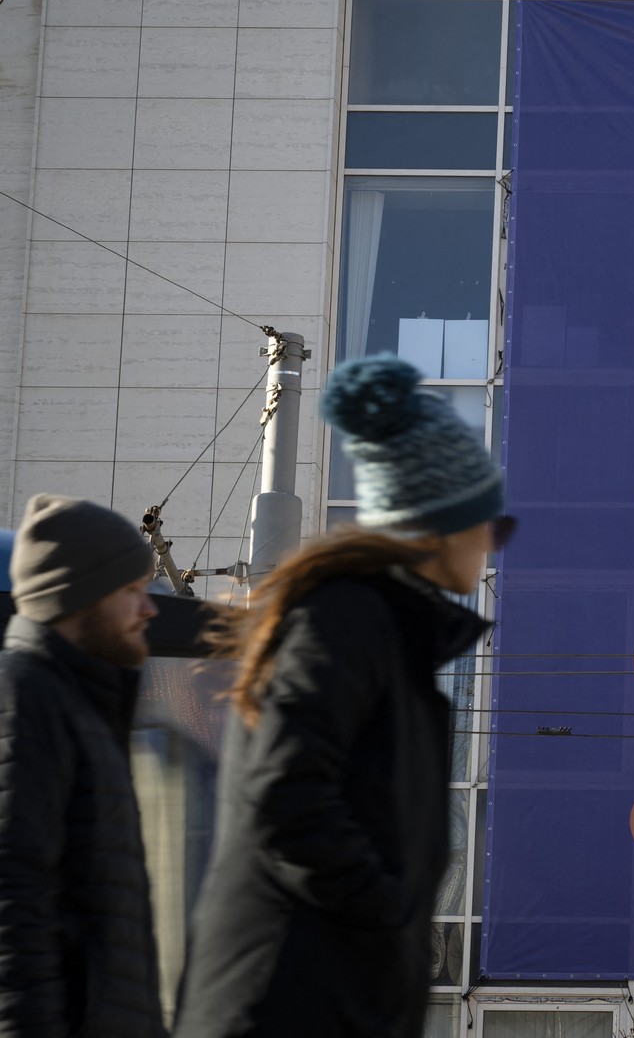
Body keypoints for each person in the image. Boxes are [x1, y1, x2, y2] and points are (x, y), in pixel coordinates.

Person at [174, 356, 508, 1038]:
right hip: (292, 999)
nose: (492, 543)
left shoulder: (384, 629)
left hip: (324, 993)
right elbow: (286, 793)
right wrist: (384, 912)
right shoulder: (348, 620)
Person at [0, 494, 164, 1037]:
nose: (149, 609)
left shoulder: (75, 703)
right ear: (78, 596)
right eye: (131, 590)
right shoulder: (24, 699)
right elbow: (14, 909)